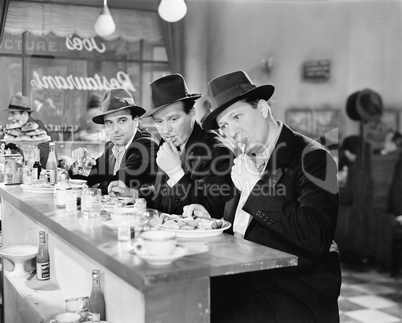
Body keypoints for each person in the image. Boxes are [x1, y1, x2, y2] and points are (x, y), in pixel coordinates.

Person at [191, 70, 340, 322]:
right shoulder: (244, 158)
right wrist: (210, 221)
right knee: (183, 305)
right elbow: (243, 228)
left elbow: (315, 237)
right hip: (243, 280)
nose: (232, 131)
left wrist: (254, 185)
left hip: (290, 290)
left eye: (237, 116)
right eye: (224, 125)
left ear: (262, 108)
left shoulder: (314, 158)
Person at [108, 74, 234, 218]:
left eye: (173, 119)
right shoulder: (167, 142)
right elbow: (162, 193)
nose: (165, 130)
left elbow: (210, 211)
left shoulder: (218, 151)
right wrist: (133, 194)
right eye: (159, 122)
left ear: (192, 113)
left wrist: (175, 172)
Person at [69, 88, 158, 195]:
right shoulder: (112, 147)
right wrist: (81, 164)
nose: (115, 129)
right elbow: (87, 177)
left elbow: (116, 184)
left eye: (122, 120)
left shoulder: (146, 145)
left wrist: (95, 186)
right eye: (109, 123)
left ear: (136, 121)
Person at [4, 94, 52, 167]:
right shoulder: (15, 132)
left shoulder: (37, 128)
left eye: (13, 113)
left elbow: (41, 156)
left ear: (25, 114)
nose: (9, 118)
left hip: (40, 174)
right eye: (9, 114)